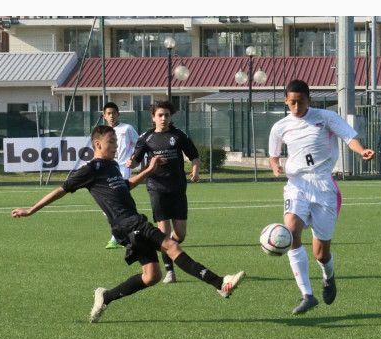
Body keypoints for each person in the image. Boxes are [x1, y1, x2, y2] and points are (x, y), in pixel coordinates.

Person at [12, 125, 245, 323]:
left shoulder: (112, 166)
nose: (116, 146)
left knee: (151, 276)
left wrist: (148, 171)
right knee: (173, 248)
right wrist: (31, 210)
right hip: (128, 223)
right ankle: (219, 283)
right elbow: (60, 190)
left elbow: (125, 186)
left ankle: (105, 297)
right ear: (98, 144)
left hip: (130, 224)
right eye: (111, 142)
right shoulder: (90, 169)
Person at [268, 79, 374, 315]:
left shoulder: (325, 117)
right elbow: (273, 155)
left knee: (320, 252)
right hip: (296, 184)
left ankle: (328, 276)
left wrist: (361, 150)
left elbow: (349, 137)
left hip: (324, 186)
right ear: (286, 101)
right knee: (291, 230)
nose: (296, 107)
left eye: (301, 102)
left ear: (309, 101)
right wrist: (275, 166)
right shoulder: (280, 127)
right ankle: (307, 294)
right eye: (292, 102)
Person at [126, 100, 200, 284]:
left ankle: (169, 247)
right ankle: (169, 271)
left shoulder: (179, 135)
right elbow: (136, 160)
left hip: (177, 187)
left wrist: (195, 171)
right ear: (153, 117)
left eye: (166, 115)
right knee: (164, 232)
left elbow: (194, 156)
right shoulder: (146, 138)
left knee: (180, 234)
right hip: (156, 188)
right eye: (160, 115)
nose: (164, 118)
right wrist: (131, 163)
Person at [102, 102, 140, 249]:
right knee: (107, 206)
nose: (111, 116)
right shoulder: (102, 132)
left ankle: (116, 237)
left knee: (120, 202)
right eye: (108, 113)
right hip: (107, 170)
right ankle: (126, 234)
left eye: (114, 113)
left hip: (124, 169)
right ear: (104, 116)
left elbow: (139, 145)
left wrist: (135, 159)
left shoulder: (127, 129)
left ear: (118, 114)